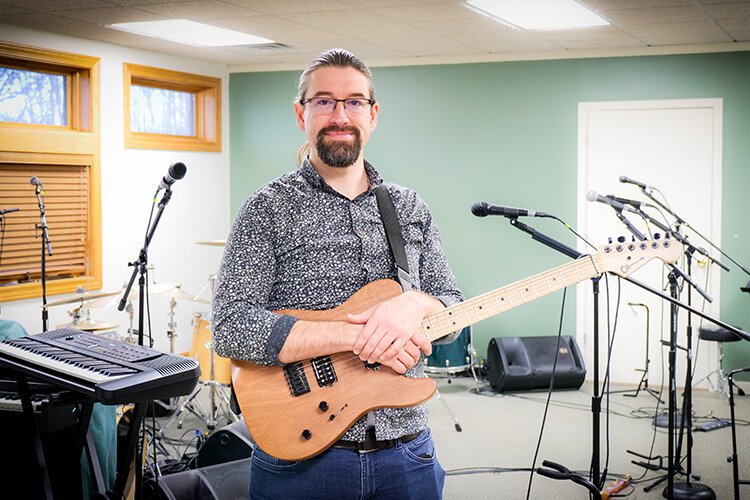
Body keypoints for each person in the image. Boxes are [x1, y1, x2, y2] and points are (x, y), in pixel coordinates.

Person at [212, 48, 463, 499]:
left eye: (353, 102)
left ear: (373, 114)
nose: (339, 114)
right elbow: (233, 328)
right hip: (302, 462)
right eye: (324, 101)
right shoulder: (267, 208)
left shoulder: (408, 208)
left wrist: (419, 304)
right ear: (300, 113)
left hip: (406, 455)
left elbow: (451, 310)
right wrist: (356, 335)